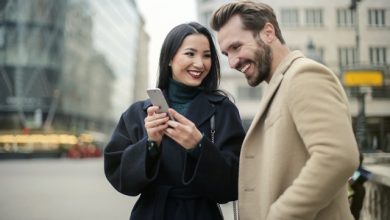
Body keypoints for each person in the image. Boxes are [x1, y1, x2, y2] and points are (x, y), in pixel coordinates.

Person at [210, 1, 360, 220]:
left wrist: (280, 215)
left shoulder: (303, 75)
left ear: (268, 32)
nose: (232, 62)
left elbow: (338, 157)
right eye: (226, 54)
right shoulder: (279, 84)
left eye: (236, 47)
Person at [104, 22, 245, 220]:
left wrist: (198, 146)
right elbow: (121, 179)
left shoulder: (223, 110)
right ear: (170, 58)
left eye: (206, 55)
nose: (199, 63)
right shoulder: (138, 113)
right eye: (190, 53)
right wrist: (151, 144)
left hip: (202, 214)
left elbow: (234, 183)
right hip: (152, 214)